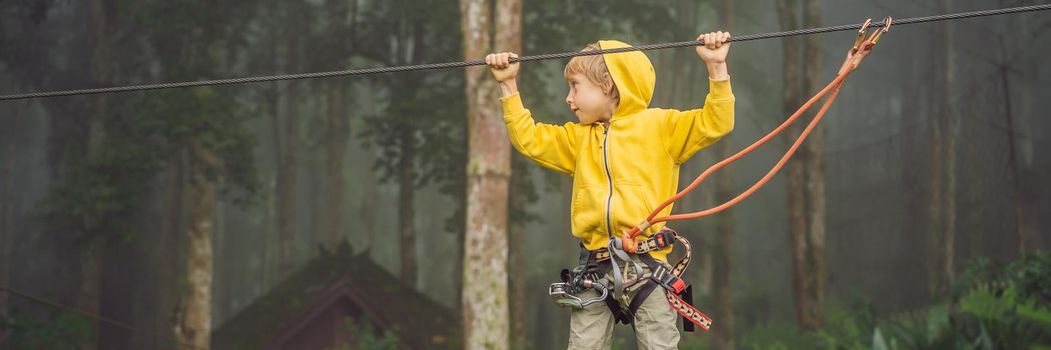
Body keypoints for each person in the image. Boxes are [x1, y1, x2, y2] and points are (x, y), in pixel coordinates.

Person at [486, 31, 733, 349]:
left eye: (575, 87)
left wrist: (716, 66)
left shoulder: (661, 128)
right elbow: (529, 138)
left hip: (649, 267)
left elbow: (718, 121)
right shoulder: (578, 139)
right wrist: (508, 85)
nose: (568, 98)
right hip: (594, 269)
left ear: (609, 86)